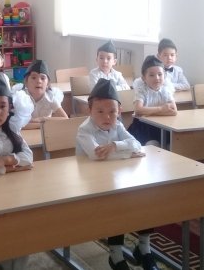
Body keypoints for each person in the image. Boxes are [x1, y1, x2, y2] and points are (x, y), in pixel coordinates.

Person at [76, 79, 155, 270]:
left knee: (148, 196)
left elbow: (136, 144)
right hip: (91, 183)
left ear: (119, 111)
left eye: (112, 111)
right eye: (100, 111)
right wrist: (127, 153)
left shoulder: (117, 125)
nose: (107, 117)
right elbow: (96, 155)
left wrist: (114, 145)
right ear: (89, 110)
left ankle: (144, 248)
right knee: (117, 206)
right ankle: (115, 254)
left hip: (116, 177)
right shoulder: (84, 130)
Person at [128, 55, 177, 146]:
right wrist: (161, 109)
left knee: (172, 143)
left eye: (160, 74)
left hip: (161, 126)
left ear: (164, 75)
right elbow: (138, 110)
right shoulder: (141, 90)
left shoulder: (165, 90)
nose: (157, 78)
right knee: (153, 144)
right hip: (143, 127)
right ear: (144, 78)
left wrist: (148, 112)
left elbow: (174, 111)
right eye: (151, 75)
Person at [12, 59, 68, 130]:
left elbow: (65, 119)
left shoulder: (50, 97)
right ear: (26, 82)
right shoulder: (20, 98)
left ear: (47, 83)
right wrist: (42, 124)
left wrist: (42, 119)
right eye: (33, 78)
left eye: (43, 78)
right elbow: (17, 124)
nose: (38, 81)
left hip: (45, 133)